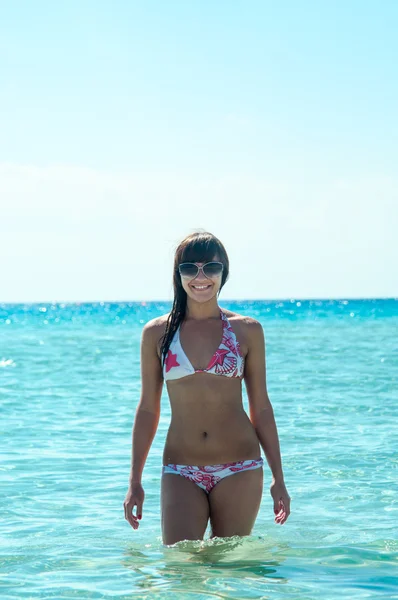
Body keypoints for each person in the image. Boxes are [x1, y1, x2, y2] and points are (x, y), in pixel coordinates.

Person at [124, 231, 291, 545]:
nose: (201, 277)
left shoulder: (246, 330)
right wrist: (134, 481)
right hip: (180, 469)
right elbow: (148, 408)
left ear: (223, 273)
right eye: (190, 269)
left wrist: (278, 478)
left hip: (239, 466)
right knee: (180, 567)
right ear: (179, 275)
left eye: (211, 268)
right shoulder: (158, 334)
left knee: (229, 570)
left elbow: (261, 407)